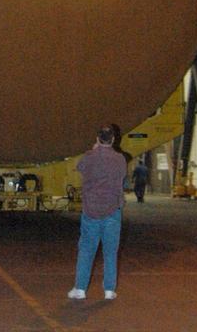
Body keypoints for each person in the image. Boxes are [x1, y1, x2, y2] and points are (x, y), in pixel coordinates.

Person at [68, 124, 126, 302]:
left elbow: (80, 169)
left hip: (91, 210)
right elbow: (122, 177)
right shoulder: (120, 159)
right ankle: (109, 290)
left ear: (97, 138)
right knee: (110, 252)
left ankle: (80, 289)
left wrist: (94, 151)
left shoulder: (89, 157)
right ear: (114, 139)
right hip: (112, 210)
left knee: (86, 250)